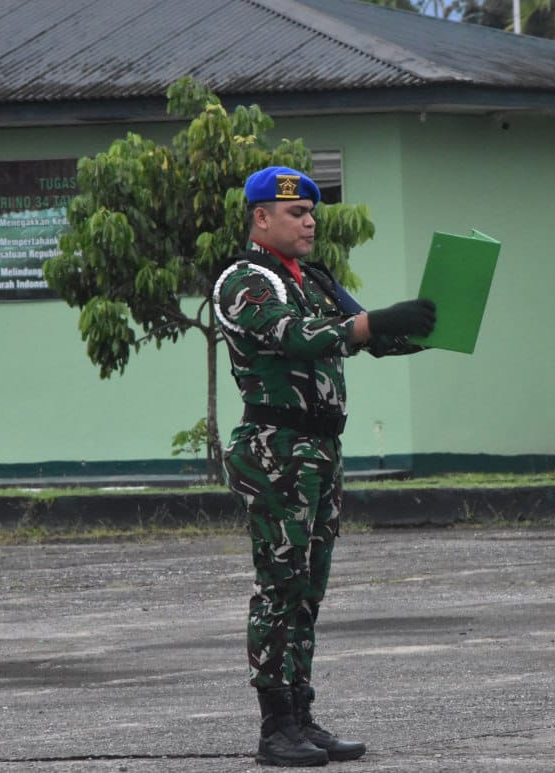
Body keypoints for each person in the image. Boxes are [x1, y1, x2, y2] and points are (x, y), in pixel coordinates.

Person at [213, 166, 435, 767]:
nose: (310, 221)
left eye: (312, 211)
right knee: (279, 585)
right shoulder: (244, 280)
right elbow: (300, 338)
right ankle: (274, 727)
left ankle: (302, 715)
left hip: (320, 449)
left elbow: (365, 333)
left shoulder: (312, 278)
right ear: (262, 218)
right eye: (295, 213)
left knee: (309, 588)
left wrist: (425, 322)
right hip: (275, 447)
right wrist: (372, 324)